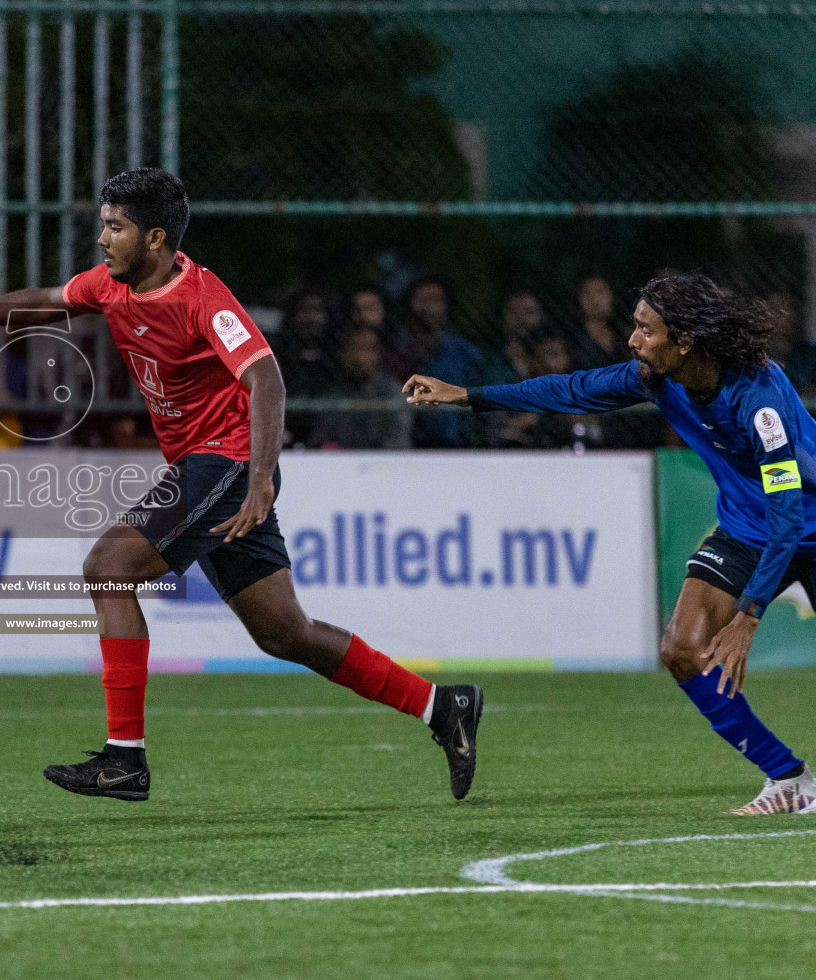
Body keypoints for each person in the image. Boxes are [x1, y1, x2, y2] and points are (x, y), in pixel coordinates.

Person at [0, 168, 484, 803]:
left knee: (108, 568)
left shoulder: (202, 298)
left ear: (155, 237)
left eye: (116, 227)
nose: (103, 238)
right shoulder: (112, 286)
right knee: (284, 633)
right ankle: (443, 706)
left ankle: (124, 759)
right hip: (204, 468)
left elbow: (266, 378)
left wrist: (262, 478)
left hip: (225, 464)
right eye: (103, 223)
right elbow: (44, 301)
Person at [404, 272, 816, 815]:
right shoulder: (656, 377)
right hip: (745, 528)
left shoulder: (759, 398)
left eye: (645, 329)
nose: (632, 340)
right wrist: (469, 395)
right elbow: (570, 389)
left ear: (685, 340)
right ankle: (789, 778)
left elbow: (789, 515)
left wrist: (749, 614)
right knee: (681, 649)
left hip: (804, 524)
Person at [387, 274, 484, 448]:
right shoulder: (396, 352)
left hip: (458, 443)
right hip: (406, 443)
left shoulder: (464, 353)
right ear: (409, 304)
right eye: (422, 300)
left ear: (446, 306)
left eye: (435, 300)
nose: (428, 308)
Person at [307, 327, 411, 450]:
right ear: (343, 354)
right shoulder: (332, 394)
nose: (359, 358)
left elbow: (397, 443)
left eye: (367, 350)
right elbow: (320, 441)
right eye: (354, 349)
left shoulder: (393, 392)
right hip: (342, 464)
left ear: (377, 355)